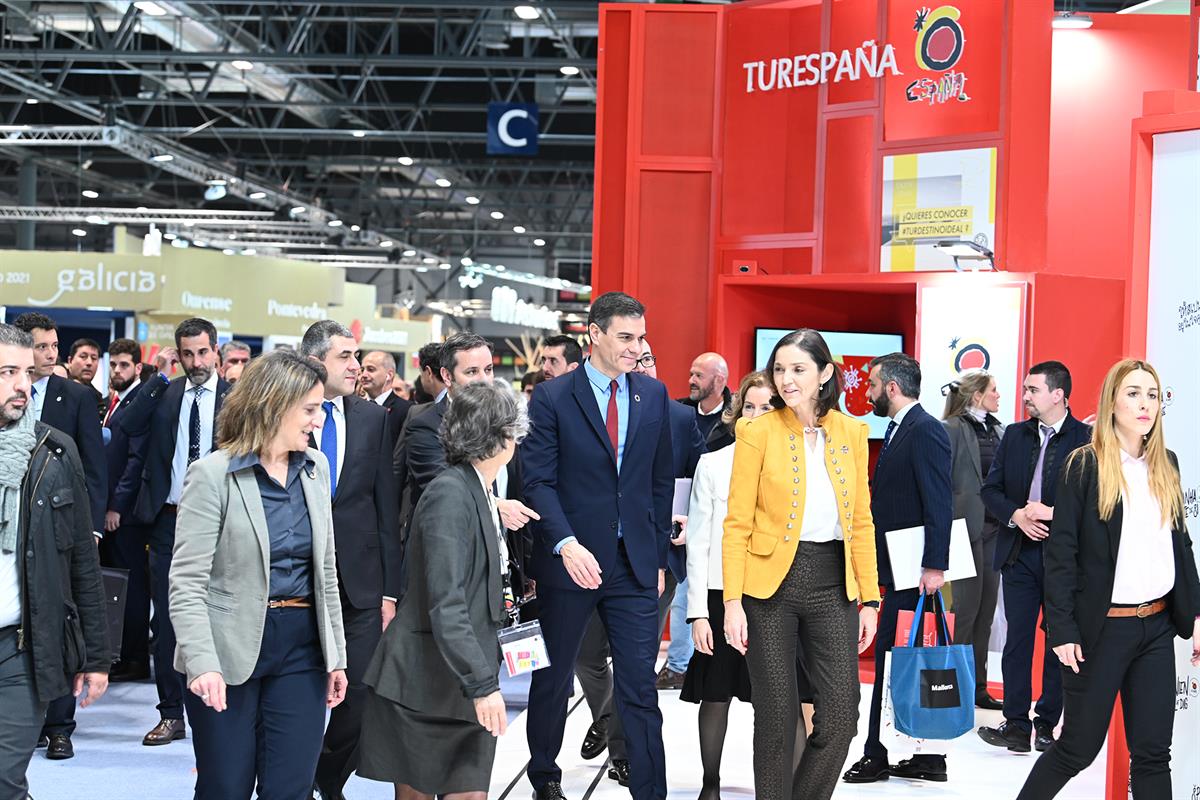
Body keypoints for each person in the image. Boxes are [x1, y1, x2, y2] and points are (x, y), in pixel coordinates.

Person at [169, 349, 349, 800]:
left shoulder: (315, 469)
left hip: (302, 648)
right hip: (227, 649)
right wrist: (201, 661)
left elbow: (325, 570)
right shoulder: (211, 475)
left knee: (291, 787)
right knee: (225, 787)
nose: (317, 421)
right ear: (273, 405)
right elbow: (187, 582)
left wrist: (337, 656)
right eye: (309, 410)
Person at [1017, 359, 1200, 799]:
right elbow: (1061, 554)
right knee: (1076, 749)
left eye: (1152, 395)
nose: (1145, 404)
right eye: (1133, 393)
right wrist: (1061, 630)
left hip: (1155, 628)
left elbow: (1181, 547)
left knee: (1154, 754)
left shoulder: (1166, 465)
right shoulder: (1086, 464)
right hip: (1101, 631)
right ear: (1112, 401)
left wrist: (1194, 618)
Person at [522, 291, 672, 800]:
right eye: (626, 337)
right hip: (570, 564)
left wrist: (654, 560)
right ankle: (544, 775)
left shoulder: (652, 396)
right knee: (554, 678)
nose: (636, 347)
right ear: (596, 335)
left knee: (639, 686)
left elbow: (657, 484)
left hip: (632, 567)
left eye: (640, 337)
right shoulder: (552, 397)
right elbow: (538, 482)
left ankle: (650, 789)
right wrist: (564, 543)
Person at [722, 330, 879, 800]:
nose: (786, 380)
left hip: (834, 583)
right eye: (780, 369)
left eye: (798, 369)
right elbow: (736, 524)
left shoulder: (853, 432)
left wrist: (870, 598)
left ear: (826, 373)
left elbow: (862, 522)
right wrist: (732, 602)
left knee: (841, 714)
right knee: (774, 714)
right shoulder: (756, 432)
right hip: (769, 587)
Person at [357, 381, 525, 799]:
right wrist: (482, 684)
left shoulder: (478, 490)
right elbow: (445, 602)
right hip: (424, 685)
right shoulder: (451, 494)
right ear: (501, 435)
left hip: (459, 679)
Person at [573, 338, 704, 787]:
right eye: (633, 356)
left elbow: (698, 483)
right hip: (593, 558)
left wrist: (689, 521)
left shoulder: (680, 416)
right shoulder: (591, 408)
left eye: (647, 357)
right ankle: (609, 717)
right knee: (587, 655)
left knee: (636, 665)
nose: (640, 364)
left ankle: (623, 750)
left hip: (657, 560)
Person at [0, 323, 109, 798]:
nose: (23, 385)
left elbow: (81, 563)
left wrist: (97, 658)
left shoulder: (54, 451)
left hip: (22, 647)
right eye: (7, 372)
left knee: (4, 778)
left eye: (27, 372)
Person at [296, 321, 402, 800]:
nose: (357, 367)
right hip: (294, 580)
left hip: (360, 581)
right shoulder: (282, 414)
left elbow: (385, 505)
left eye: (357, 357)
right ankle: (287, 777)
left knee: (359, 692)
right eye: (346, 357)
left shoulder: (372, 418)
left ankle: (327, 777)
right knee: (297, 693)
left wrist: (389, 589)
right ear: (317, 361)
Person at [117, 317, 231, 746]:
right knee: (167, 621)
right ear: (177, 354)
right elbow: (124, 425)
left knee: (221, 615)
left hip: (224, 522)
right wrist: (157, 375)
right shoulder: (164, 392)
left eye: (203, 352)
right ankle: (170, 713)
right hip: (169, 520)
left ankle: (219, 707)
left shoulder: (235, 397)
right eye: (187, 354)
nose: (196, 361)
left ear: (216, 350)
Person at [844, 352, 951, 785]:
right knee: (908, 660)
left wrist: (934, 565)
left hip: (914, 573)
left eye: (871, 385)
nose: (866, 392)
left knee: (894, 659)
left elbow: (940, 500)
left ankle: (878, 752)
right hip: (901, 569)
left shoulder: (925, 430)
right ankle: (927, 756)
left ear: (891, 387)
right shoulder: (903, 429)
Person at [977, 361, 1091, 753]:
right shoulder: (1014, 435)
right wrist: (1017, 515)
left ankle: (1046, 724)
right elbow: (990, 490)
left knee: (1060, 639)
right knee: (1017, 640)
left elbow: (1096, 504)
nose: (1025, 396)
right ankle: (1015, 724)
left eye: (1033, 390)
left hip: (1065, 560)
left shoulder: (1086, 440)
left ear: (1058, 394)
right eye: (1025, 389)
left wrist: (1052, 515)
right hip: (1019, 554)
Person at [681, 370, 773, 799]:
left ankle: (775, 787)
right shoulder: (713, 464)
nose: (755, 415)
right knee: (715, 694)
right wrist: (697, 612)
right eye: (748, 407)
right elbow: (697, 542)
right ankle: (710, 783)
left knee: (775, 701)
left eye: (767, 407)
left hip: (774, 598)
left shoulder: (796, 466)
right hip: (720, 595)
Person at [940, 369, 1005, 710]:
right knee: (965, 612)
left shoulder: (998, 430)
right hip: (961, 531)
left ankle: (978, 688)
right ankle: (954, 687)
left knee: (985, 615)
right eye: (993, 390)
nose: (998, 396)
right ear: (977, 394)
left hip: (995, 531)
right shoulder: (950, 429)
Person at [99, 338, 152, 683]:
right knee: (116, 584)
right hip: (110, 508)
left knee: (130, 588)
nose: (117, 370)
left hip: (127, 516)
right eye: (113, 364)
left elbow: (135, 462)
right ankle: (122, 654)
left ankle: (134, 658)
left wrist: (117, 506)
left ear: (137, 367)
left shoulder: (137, 402)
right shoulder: (113, 402)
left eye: (123, 365)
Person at [361, 350, 412, 447]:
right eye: (362, 370)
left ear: (389, 375)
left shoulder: (406, 410)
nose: (364, 375)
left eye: (371, 369)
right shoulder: (354, 407)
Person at [678, 353, 731, 444]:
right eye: (691, 374)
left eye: (698, 375)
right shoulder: (680, 411)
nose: (691, 381)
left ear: (719, 380)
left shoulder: (735, 420)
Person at [66, 338, 105, 418]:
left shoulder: (100, 400)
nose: (89, 363)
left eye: (94, 358)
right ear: (70, 361)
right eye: (83, 357)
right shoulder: (57, 389)